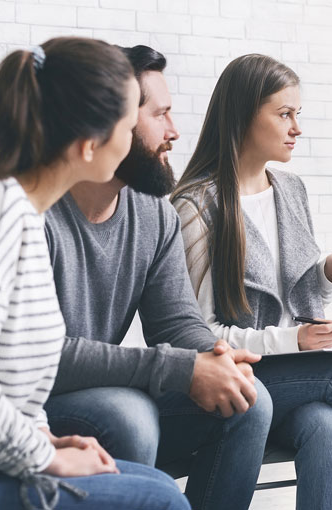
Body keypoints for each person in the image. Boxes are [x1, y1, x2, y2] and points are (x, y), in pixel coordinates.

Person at [171, 53, 332, 510]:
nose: (296, 127)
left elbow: (301, 297)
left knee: (326, 425)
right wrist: (293, 340)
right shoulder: (196, 207)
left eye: (297, 114)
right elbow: (200, 337)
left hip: (288, 378)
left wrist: (331, 271)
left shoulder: (290, 189)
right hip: (235, 376)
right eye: (284, 114)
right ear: (242, 115)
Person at [41, 45, 270, 510]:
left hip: (105, 381)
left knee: (249, 399)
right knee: (129, 416)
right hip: (33, 399)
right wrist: (178, 368)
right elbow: (37, 355)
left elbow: (175, 323)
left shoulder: (154, 216)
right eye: (160, 114)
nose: (174, 132)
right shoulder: (34, 210)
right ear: (107, 123)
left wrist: (214, 356)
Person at [0, 37, 189, 510]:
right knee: (163, 503)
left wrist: (46, 438)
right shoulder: (7, 214)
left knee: (161, 489)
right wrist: (43, 453)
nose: (133, 141)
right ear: (89, 146)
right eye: (128, 126)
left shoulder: (25, 213)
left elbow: (14, 385)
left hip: (20, 450)